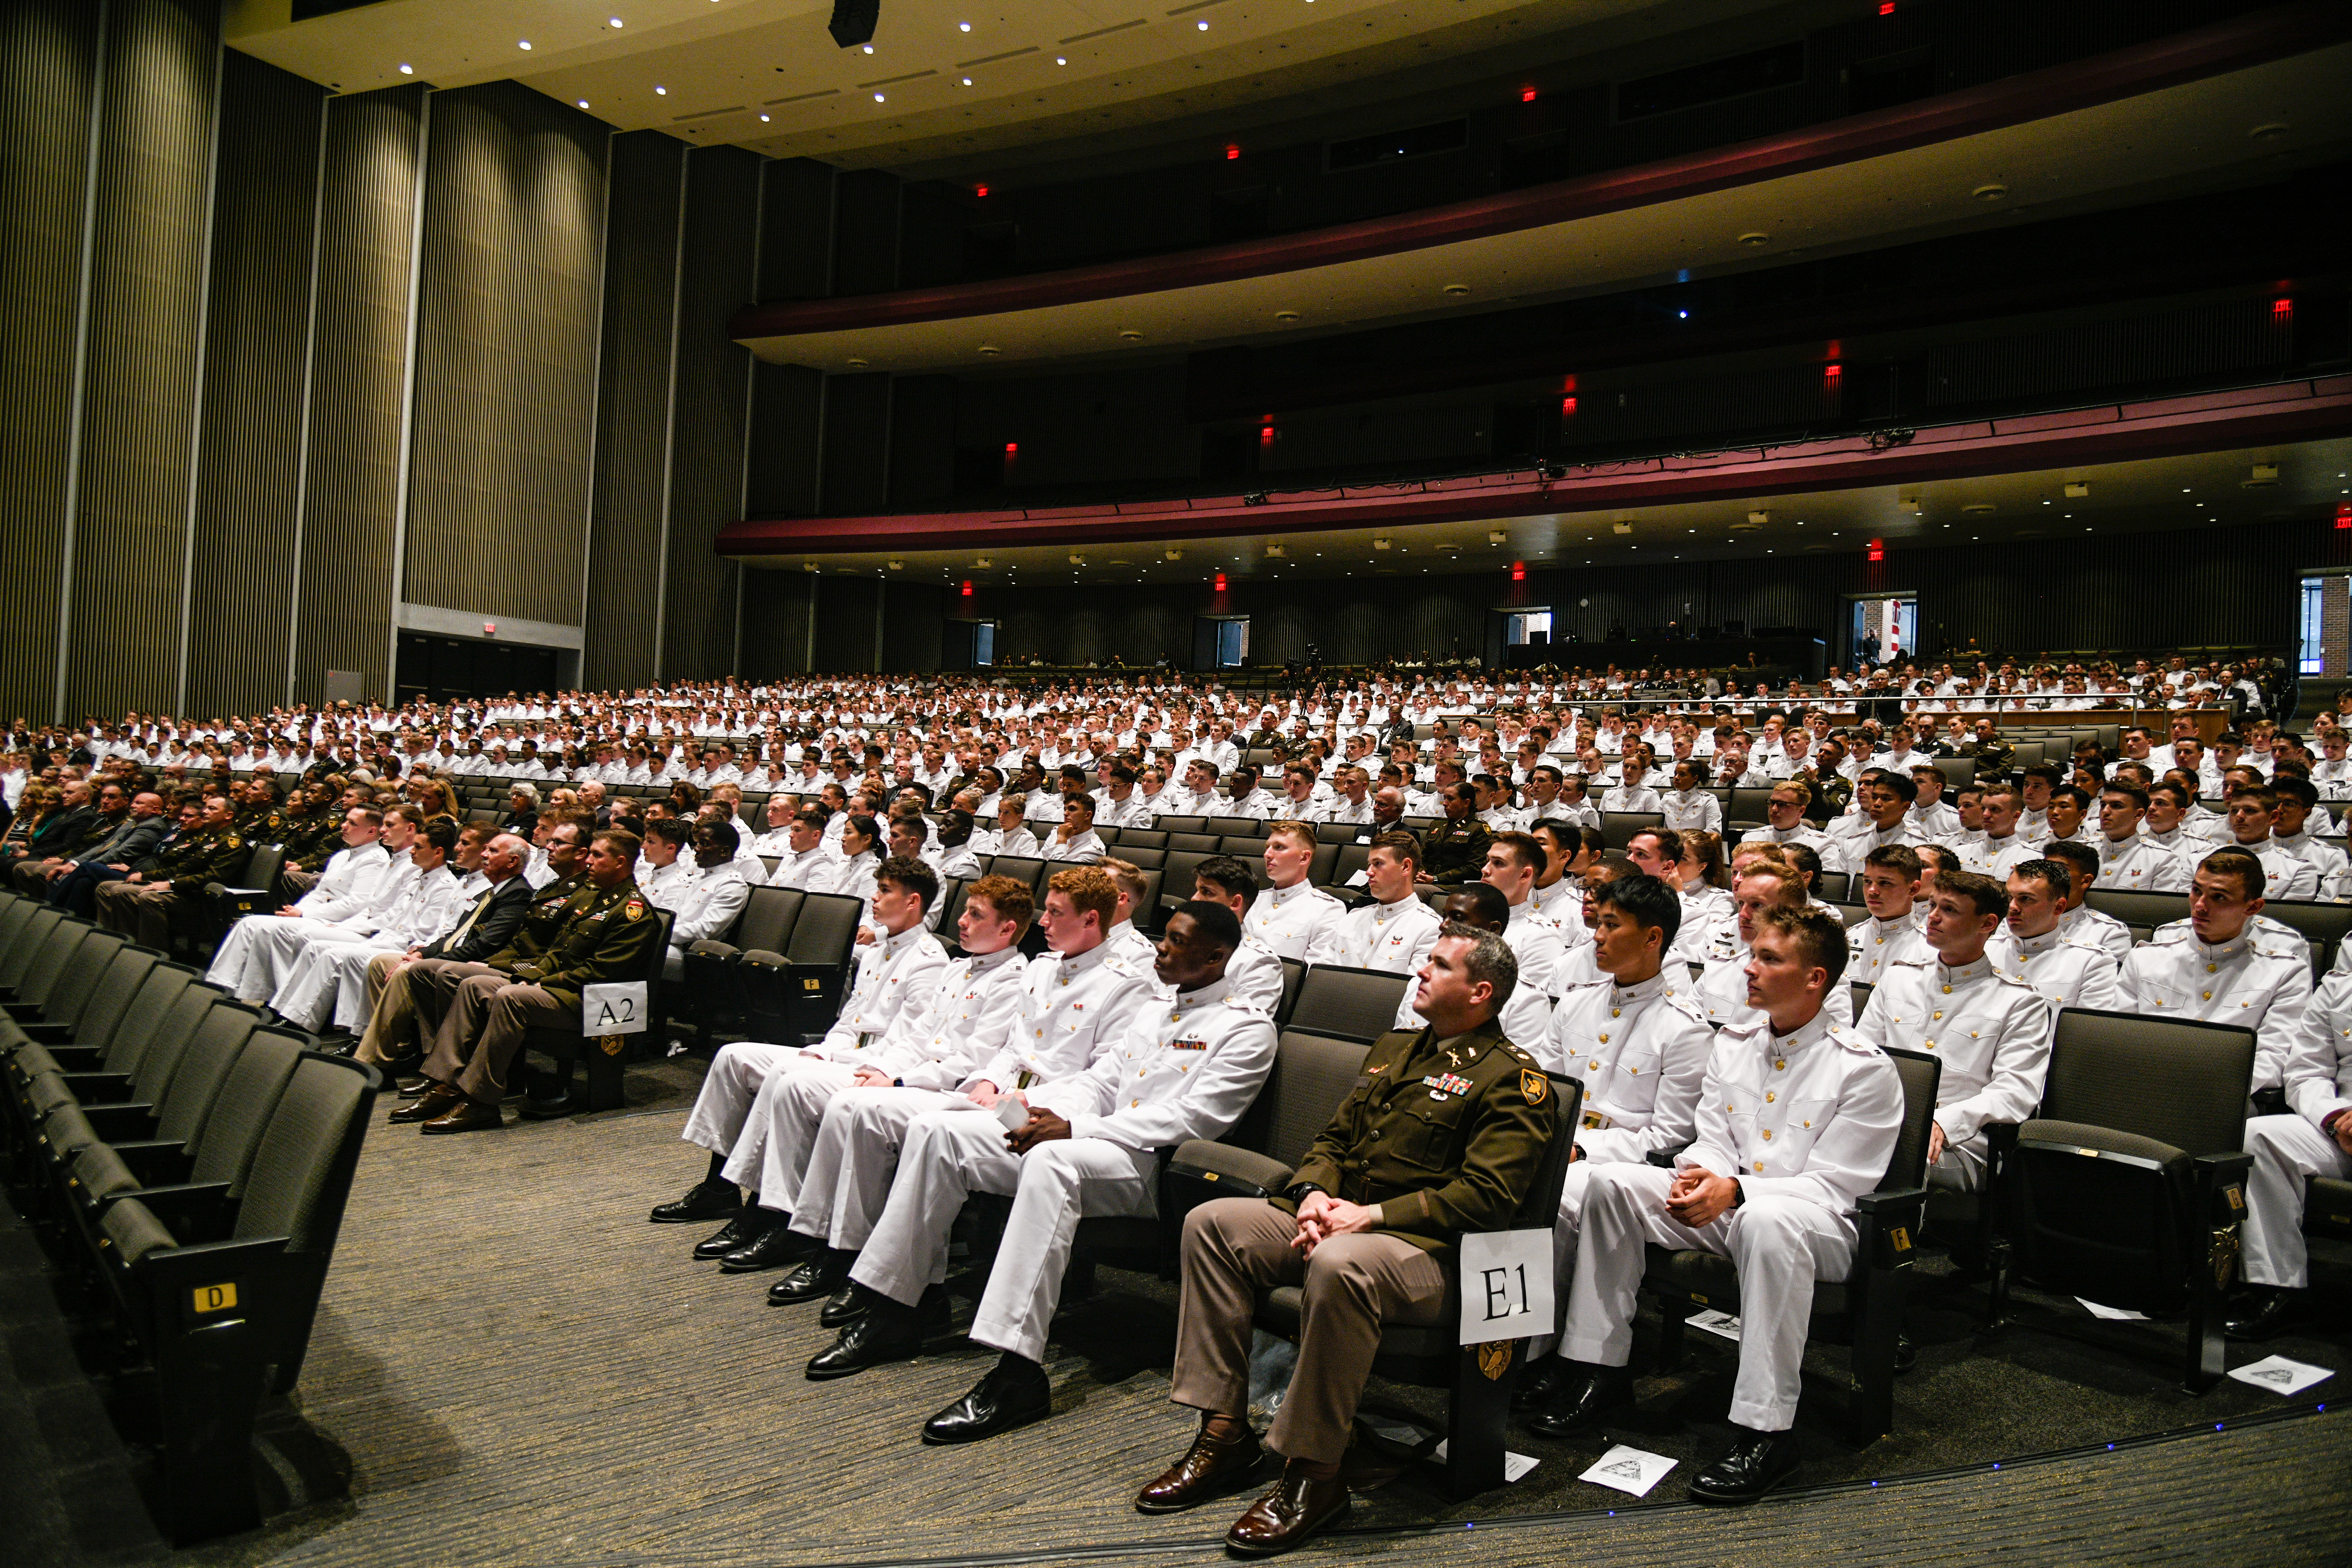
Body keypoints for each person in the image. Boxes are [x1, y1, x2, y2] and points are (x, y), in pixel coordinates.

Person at [1139, 924, 1548, 1554]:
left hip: (1440, 1257)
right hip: (1346, 1224)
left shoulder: (1513, 1078)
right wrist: (1312, 1199)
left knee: (1340, 1262)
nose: (1420, 972)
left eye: (1438, 966)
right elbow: (1334, 1142)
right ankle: (1224, 1432)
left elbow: (1488, 1198)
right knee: (1214, 1223)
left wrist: (1371, 1217)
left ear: (1480, 992)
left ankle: (1315, 1472)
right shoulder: (1394, 1048)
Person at [811, 902, 1276, 1446]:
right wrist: (1037, 1108)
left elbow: (1194, 1119)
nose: (1160, 949)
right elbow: (1099, 1082)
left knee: (1053, 1161)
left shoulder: (1246, 1029)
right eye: (1162, 938)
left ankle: (1016, 1370)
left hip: (1152, 1170)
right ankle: (901, 1306)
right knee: (942, 1132)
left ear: (1217, 955)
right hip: (1094, 1143)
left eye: (1175, 941)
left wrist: (1074, 1129)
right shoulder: (1155, 1009)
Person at [1544, 904, 1901, 1502]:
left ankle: (1766, 1430)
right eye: (1752, 954)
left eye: (1769, 958)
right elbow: (1711, 1135)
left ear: (1815, 977)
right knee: (1612, 1185)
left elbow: (1840, 1187)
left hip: (1822, 1228)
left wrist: (1736, 1190)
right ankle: (1599, 1369)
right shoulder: (1735, 1042)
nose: (1749, 969)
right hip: (1733, 1203)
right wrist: (1700, 1174)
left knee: (1767, 1219)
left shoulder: (1863, 1069)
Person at [765, 866, 1156, 1306]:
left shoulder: (1126, 985)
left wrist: (1028, 1097)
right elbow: (1012, 1047)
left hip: (1045, 1111)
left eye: (1054, 913)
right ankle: (835, 1245)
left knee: (923, 1129)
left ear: (1091, 920)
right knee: (862, 1109)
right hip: (995, 1093)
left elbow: (1101, 1079)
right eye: (1045, 911)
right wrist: (989, 1079)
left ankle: (892, 1286)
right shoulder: (1043, 968)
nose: (1043, 922)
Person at [1519, 873, 1713, 1422]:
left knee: (1558, 1196)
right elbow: (1546, 1094)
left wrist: (1582, 1151)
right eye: (1597, 923)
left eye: (1611, 925)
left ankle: (1544, 1355)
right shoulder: (1575, 1004)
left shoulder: (1684, 1029)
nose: (1596, 937)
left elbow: (1670, 1136)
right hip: (1563, 1148)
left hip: (1619, 1165)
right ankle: (1501, 1341)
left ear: (1653, 938)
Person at [394, 829, 663, 1133]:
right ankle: (448, 1083)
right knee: (474, 985)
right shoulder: (593, 899)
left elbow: (602, 972)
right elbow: (556, 953)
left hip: (592, 1002)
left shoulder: (632, 912)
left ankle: (481, 1102)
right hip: (561, 988)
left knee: (510, 997)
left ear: (620, 862)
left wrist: (539, 984)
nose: (588, 861)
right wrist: (529, 976)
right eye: (589, 853)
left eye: (597, 855)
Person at [1854, 869, 2051, 1192]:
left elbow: (2016, 1091)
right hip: (1880, 1120)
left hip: (1963, 1142)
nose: (1932, 917)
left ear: (1987, 924)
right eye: (1932, 905)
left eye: (1949, 910)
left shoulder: (2018, 1002)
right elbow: (1861, 1056)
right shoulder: (1900, 979)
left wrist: (1946, 1122)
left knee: (1900, 1159)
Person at [2117, 846, 2313, 1100]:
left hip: (2223, 1101)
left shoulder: (2285, 972)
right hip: (2139, 1091)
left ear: (2253, 907)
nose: (2200, 906)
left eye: (2219, 897)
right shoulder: (2145, 959)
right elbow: (2119, 1040)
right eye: (2197, 891)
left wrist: (2201, 1090)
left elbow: (2273, 1058)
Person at [2227, 960, 2352, 1341]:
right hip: (2345, 1127)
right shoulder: (2340, 987)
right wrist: (2334, 1118)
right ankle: (2280, 1288)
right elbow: (2305, 1071)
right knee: (2260, 1137)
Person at [353, 831, 535, 1075]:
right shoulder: (489, 892)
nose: (484, 854)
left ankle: (371, 1063)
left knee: (407, 971)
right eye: (486, 849)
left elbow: (486, 945)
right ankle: (402, 1051)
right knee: (381, 963)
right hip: (454, 955)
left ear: (513, 861)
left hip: (476, 963)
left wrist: (430, 960)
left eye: (493, 851)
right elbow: (455, 937)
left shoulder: (517, 893)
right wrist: (422, 953)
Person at [1984, 859, 2123, 1012]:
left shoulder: (2092, 962)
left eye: (2026, 899)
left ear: (2058, 907)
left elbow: (2085, 1032)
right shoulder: (1983, 949)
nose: (2012, 907)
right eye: (2009, 898)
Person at [1303, 831, 1440, 975]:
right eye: (1369, 864)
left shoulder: (1429, 928)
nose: (1368, 872)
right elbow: (1320, 977)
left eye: (1378, 864)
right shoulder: (1352, 918)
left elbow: (1413, 992)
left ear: (1405, 867)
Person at [1241, 820, 1342, 958]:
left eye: (1279, 847)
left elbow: (1312, 972)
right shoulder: (1254, 899)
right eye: (1267, 847)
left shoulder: (1327, 910)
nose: (1267, 854)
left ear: (1304, 858)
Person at [1846, 844, 1928, 985]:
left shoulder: (1929, 948)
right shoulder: (1849, 938)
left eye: (1885, 883)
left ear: (1913, 889)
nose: (1872, 891)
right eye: (1867, 881)